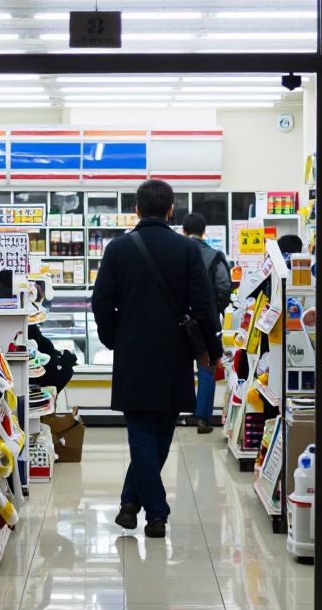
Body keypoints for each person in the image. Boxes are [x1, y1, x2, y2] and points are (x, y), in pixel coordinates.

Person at [91, 180, 224, 538]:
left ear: (136, 209)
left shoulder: (118, 249)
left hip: (133, 353)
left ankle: (132, 503)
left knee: (140, 433)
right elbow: (204, 306)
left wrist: (115, 338)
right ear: (170, 211)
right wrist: (213, 348)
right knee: (163, 430)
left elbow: (100, 302)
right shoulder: (186, 249)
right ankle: (157, 512)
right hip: (174, 353)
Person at [181, 212, 232, 434]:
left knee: (179, 366)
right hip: (207, 320)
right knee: (207, 366)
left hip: (179, 320)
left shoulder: (176, 253)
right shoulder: (215, 256)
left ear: (184, 231)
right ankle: (202, 418)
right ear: (204, 232)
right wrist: (217, 308)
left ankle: (180, 410)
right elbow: (224, 287)